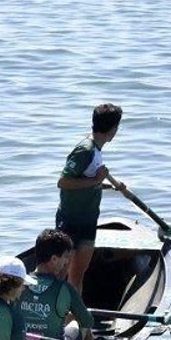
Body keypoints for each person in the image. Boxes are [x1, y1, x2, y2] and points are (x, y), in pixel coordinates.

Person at [56, 102, 124, 293]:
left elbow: (86, 181)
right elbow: (63, 182)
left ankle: (73, 320)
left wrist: (109, 185)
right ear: (113, 129)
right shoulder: (85, 150)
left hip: (88, 221)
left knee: (77, 276)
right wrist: (96, 180)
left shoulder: (96, 149)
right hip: (70, 221)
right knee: (61, 274)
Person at [17, 229, 94, 340]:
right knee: (79, 324)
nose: (66, 262)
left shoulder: (17, 284)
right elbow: (87, 320)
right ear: (53, 259)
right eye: (65, 257)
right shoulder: (65, 288)